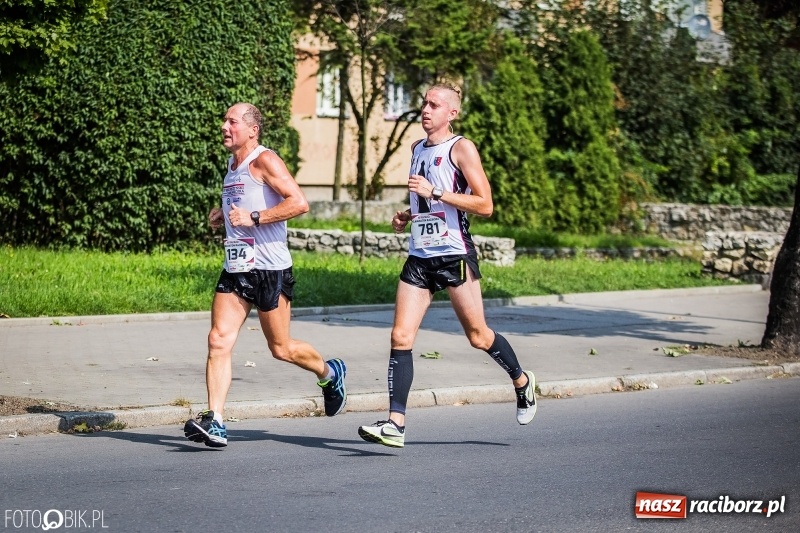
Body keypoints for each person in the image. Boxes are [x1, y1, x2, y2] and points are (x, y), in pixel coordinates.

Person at [357, 84, 536, 448]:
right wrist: (409, 214)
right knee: (400, 336)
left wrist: (434, 193)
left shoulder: (461, 148)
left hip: (454, 254)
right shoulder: (416, 148)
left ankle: (522, 381)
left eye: (434, 105)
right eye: (423, 102)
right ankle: (396, 423)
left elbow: (484, 204)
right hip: (420, 255)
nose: (425, 109)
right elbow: (428, 201)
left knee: (478, 336)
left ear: (451, 113)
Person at [184, 102, 347, 448]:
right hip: (237, 267)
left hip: (271, 269)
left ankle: (330, 373)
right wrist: (223, 218)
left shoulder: (265, 160)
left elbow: (299, 203)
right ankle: (215, 420)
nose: (224, 126)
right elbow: (240, 211)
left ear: (252, 129)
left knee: (281, 348)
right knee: (218, 339)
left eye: (231, 121)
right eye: (224, 120)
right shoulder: (232, 165)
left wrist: (255, 217)